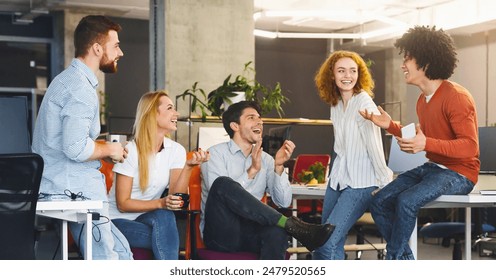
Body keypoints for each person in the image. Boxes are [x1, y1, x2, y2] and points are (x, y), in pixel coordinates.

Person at [360, 25, 480, 260]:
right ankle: (405, 262)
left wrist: (426, 145)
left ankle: (394, 260)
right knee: (379, 201)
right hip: (434, 168)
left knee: (406, 201)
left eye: (408, 58)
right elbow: (423, 139)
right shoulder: (422, 101)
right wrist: (390, 126)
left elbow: (469, 147)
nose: (403, 64)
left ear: (425, 62)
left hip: (460, 173)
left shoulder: (457, 97)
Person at [32, 15, 132, 260]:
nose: (121, 52)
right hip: (74, 191)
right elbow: (75, 147)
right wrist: (110, 149)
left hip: (64, 186)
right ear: (97, 48)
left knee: (121, 253)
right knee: (109, 260)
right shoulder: (79, 88)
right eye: (116, 45)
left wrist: (102, 151)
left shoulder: (66, 81)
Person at [200, 100, 335, 259]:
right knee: (222, 183)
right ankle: (292, 225)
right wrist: (252, 171)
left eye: (259, 118)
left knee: (277, 232)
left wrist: (278, 166)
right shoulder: (214, 154)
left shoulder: (266, 159)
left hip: (251, 232)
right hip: (222, 234)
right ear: (235, 126)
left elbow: (283, 202)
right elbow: (222, 193)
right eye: (251, 117)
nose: (259, 121)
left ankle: (288, 231)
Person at [311, 50, 393, 260]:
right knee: (327, 242)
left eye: (352, 71)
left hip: (361, 182)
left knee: (326, 244)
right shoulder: (336, 103)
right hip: (338, 179)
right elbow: (340, 147)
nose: (347, 76)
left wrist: (384, 181)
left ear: (359, 74)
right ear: (332, 75)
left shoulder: (364, 103)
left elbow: (375, 146)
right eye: (341, 70)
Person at [108, 90, 209, 260]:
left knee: (165, 215)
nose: (176, 113)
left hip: (147, 217)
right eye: (170, 108)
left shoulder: (176, 150)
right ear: (153, 114)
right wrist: (161, 203)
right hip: (116, 221)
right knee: (165, 238)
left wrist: (189, 167)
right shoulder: (130, 151)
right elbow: (123, 204)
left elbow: (175, 199)